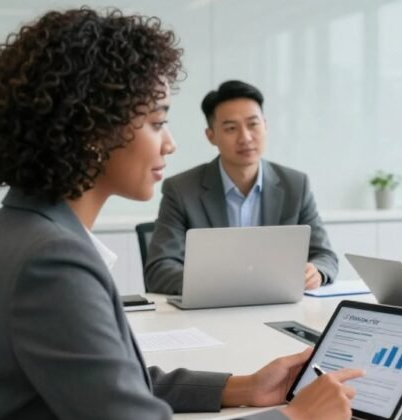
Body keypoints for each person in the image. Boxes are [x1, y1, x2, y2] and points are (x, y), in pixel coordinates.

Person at [0, 8, 362, 420]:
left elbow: (106, 384)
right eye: (157, 122)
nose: (170, 142)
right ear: (94, 129)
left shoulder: (20, 231)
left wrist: (242, 387)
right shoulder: (52, 264)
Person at [143, 79, 339, 294]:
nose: (245, 137)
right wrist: (226, 286)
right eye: (231, 128)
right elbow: (159, 269)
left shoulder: (295, 185)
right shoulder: (181, 190)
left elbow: (325, 256)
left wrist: (316, 272)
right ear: (211, 136)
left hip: (278, 307)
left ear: (265, 125)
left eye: (253, 124)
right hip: (212, 311)